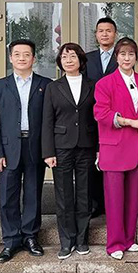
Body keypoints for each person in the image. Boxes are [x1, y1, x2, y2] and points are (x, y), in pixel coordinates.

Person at [0, 39, 52, 263]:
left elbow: (49, 121)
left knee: (33, 193)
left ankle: (30, 236)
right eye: (17, 54)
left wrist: (48, 150)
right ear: (10, 58)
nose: (22, 58)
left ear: (33, 58)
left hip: (34, 146)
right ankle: (11, 240)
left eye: (26, 54)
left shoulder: (45, 84)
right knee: (7, 196)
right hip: (7, 148)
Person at [93, 37, 138, 260]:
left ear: (136, 57)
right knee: (115, 200)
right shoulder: (105, 83)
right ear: (116, 57)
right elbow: (101, 114)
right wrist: (128, 121)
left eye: (131, 54)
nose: (127, 58)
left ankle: (129, 239)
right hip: (114, 148)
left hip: (136, 147)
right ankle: (114, 243)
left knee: (133, 199)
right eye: (123, 54)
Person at [42, 43, 97, 260]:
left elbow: (97, 118)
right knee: (63, 195)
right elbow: (47, 121)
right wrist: (48, 152)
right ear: (60, 62)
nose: (68, 60)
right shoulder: (53, 87)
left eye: (72, 56)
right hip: (61, 147)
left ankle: (82, 240)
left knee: (85, 194)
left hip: (86, 145)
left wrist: (99, 148)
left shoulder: (93, 85)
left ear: (81, 60)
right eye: (64, 57)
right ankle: (66, 241)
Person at [84, 17, 119, 219]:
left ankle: (112, 202)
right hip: (91, 116)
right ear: (96, 35)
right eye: (101, 31)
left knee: (113, 161)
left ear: (115, 34)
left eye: (109, 30)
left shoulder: (122, 56)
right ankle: (95, 203)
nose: (105, 34)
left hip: (115, 117)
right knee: (92, 161)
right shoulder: (87, 59)